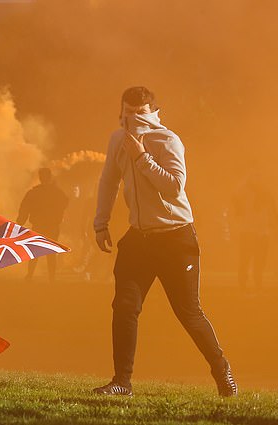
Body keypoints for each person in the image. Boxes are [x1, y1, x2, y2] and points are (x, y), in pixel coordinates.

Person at [93, 86, 237, 397]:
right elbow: (108, 181)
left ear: (153, 113)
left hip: (176, 237)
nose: (133, 121)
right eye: (127, 114)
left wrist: (142, 156)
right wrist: (100, 223)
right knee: (124, 307)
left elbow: (174, 187)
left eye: (140, 114)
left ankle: (221, 369)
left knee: (188, 311)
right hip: (139, 238)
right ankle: (122, 382)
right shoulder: (117, 139)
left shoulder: (168, 140)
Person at [16, 168, 68, 282]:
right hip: (53, 225)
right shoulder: (57, 192)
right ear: (50, 177)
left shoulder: (34, 192)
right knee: (51, 253)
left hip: (38, 225)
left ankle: (30, 275)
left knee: (35, 251)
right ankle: (51, 277)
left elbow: (24, 208)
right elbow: (65, 203)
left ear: (40, 177)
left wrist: (20, 222)